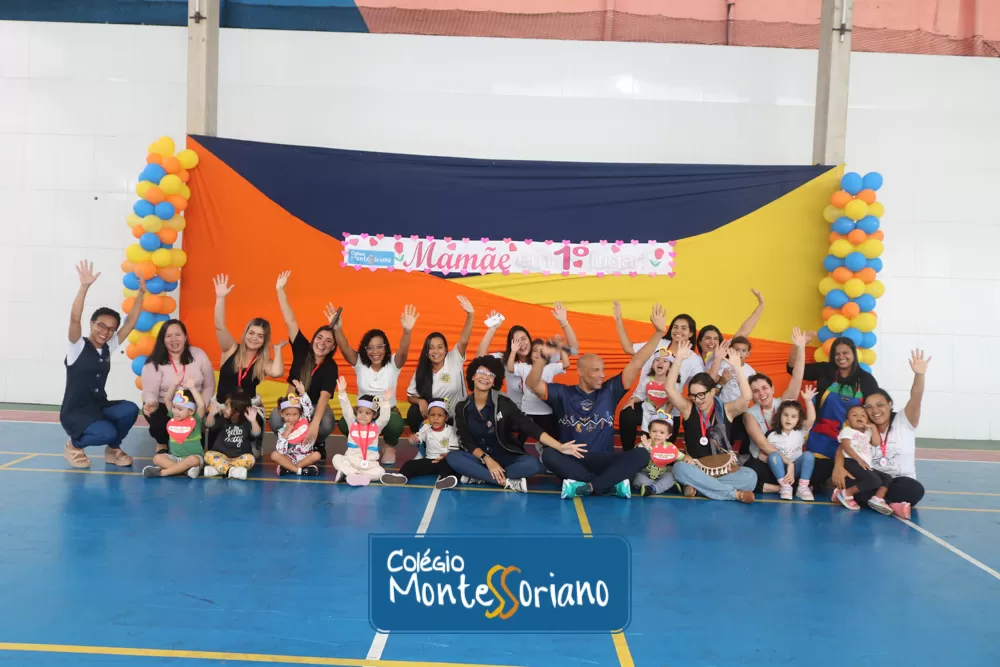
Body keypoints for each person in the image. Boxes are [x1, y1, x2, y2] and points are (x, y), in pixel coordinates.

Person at [526, 304, 669, 499]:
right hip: (573, 459)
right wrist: (542, 359)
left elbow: (637, 362)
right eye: (596, 371)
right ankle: (607, 484)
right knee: (549, 455)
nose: (602, 375)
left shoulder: (610, 390)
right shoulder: (562, 393)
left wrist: (659, 333)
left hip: (605, 460)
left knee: (642, 454)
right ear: (581, 371)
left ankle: (589, 486)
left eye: (603, 370)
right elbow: (532, 383)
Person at [448, 356, 584, 493]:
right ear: (472, 376)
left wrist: (560, 447)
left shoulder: (504, 403)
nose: (485, 377)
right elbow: (466, 441)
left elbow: (529, 427)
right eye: (481, 372)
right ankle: (505, 482)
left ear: (495, 380)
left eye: (491, 374)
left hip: (506, 459)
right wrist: (487, 460)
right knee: (453, 457)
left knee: (533, 465)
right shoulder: (462, 407)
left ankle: (480, 476)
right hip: (480, 458)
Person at [61, 260, 146, 469]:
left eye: (111, 329)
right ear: (92, 324)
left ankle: (113, 450)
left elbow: (130, 323)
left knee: (130, 409)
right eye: (101, 325)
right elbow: (74, 318)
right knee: (107, 432)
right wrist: (84, 286)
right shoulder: (77, 346)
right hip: (76, 413)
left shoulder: (107, 347)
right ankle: (74, 445)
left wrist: (142, 293)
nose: (105, 331)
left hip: (98, 406)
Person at [834, 349, 931, 518]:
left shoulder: (904, 421)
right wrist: (838, 467)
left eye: (880, 405)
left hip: (899, 480)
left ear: (890, 404)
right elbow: (843, 445)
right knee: (860, 483)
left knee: (914, 489)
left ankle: (882, 501)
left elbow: (916, 398)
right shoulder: (862, 428)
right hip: (872, 479)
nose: (875, 410)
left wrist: (919, 375)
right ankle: (892, 504)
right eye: (869, 407)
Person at [664, 341, 757, 503]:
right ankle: (734, 494)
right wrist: (678, 360)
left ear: (713, 391)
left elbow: (747, 397)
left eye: (701, 395)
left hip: (723, 469)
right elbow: (670, 390)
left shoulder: (727, 410)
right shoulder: (688, 408)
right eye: (693, 395)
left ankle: (699, 488)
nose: (697, 399)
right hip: (695, 466)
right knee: (679, 468)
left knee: (750, 477)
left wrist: (737, 367)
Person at [331, 303, 418, 465]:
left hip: (387, 412)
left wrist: (407, 331)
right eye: (370, 348)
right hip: (363, 412)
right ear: (365, 349)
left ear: (386, 348)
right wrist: (337, 329)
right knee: (344, 422)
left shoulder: (393, 363)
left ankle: (389, 446)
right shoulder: (359, 362)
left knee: (396, 423)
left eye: (379, 347)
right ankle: (358, 444)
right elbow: (344, 348)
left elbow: (404, 350)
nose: (375, 351)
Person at [213, 274, 287, 459]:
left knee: (250, 453)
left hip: (248, 409)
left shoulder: (262, 362)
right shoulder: (231, 349)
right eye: (251, 333)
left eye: (260, 336)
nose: (254, 338)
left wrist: (277, 350)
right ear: (245, 333)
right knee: (215, 449)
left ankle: (254, 442)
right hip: (223, 406)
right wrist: (220, 298)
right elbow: (220, 326)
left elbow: (277, 372)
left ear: (264, 340)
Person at [612, 303, 705, 448]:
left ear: (691, 333)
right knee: (627, 415)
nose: (678, 331)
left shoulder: (694, 359)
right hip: (645, 403)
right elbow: (629, 348)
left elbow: (698, 387)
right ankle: (628, 454)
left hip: (670, 410)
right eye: (675, 327)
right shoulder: (658, 343)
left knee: (662, 449)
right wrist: (618, 320)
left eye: (683, 328)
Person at [793, 336, 879, 490]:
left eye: (846, 353)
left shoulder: (866, 380)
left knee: (853, 482)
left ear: (853, 354)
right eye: (837, 354)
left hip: (851, 441)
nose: (841, 357)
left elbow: (875, 408)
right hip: (821, 438)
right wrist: (798, 347)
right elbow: (793, 369)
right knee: (815, 476)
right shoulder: (825, 370)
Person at [273, 271, 339, 461]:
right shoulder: (302, 349)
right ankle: (290, 442)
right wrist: (280, 290)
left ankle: (316, 443)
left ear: (333, 347)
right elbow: (290, 321)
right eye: (319, 337)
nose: (322, 343)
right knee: (276, 418)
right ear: (313, 339)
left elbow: (325, 397)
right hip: (294, 403)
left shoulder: (331, 366)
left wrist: (315, 423)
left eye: (328, 341)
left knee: (326, 421)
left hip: (315, 406)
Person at [475, 303, 580, 410]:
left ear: (530, 340)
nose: (521, 343)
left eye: (524, 339)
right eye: (516, 341)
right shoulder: (506, 359)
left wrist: (564, 322)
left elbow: (573, 349)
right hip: (514, 413)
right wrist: (492, 329)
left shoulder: (541, 355)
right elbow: (479, 359)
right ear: (511, 345)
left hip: (542, 412)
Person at [742, 327, 809, 493]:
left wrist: (801, 347)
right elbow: (762, 444)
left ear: (772, 389)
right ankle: (781, 488)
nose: (761, 393)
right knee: (750, 469)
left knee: (820, 465)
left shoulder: (784, 403)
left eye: (764, 388)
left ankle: (787, 486)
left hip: (789, 463)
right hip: (767, 463)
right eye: (756, 391)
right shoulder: (750, 414)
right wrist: (787, 462)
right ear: (752, 395)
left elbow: (797, 377)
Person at [141, 319, 216, 454]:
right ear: (163, 340)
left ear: (185, 337)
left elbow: (209, 385)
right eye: (168, 336)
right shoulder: (153, 362)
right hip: (166, 405)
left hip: (193, 406)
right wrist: (151, 403)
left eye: (178, 334)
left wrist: (202, 407)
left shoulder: (199, 354)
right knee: (159, 425)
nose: (174, 339)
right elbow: (149, 391)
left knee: (195, 441)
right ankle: (162, 443)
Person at [405, 296, 475, 432]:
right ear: (426, 352)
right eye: (431, 348)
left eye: (440, 347)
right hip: (436, 418)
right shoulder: (422, 370)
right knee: (413, 412)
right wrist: (420, 401)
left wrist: (470, 315)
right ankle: (422, 441)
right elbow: (410, 396)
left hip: (457, 417)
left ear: (446, 349)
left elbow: (464, 340)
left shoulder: (454, 358)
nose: (436, 351)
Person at [382, 399, 461, 489]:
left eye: (440, 415)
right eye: (432, 415)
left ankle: (446, 479)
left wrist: (446, 456)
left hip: (444, 460)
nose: (436, 418)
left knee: (447, 466)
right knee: (409, 464)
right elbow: (417, 439)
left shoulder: (450, 430)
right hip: (429, 460)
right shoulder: (426, 428)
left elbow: (454, 450)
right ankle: (401, 476)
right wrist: (413, 439)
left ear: (446, 418)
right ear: (428, 416)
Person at [332, 376, 393, 486]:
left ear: (374, 415)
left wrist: (386, 401)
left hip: (369, 464)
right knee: (336, 458)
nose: (363, 415)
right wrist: (342, 393)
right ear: (357, 412)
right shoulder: (352, 423)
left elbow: (385, 418)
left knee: (380, 472)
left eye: (367, 413)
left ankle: (349, 474)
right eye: (360, 412)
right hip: (352, 461)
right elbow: (346, 409)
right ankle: (354, 474)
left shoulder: (376, 427)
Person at [832, 405, 893, 515]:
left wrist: (873, 427)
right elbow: (846, 447)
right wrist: (859, 460)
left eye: (863, 415)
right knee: (874, 480)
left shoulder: (868, 432)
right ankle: (846, 493)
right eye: (854, 415)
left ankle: (877, 499)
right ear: (848, 421)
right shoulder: (847, 431)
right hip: (851, 461)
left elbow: (876, 443)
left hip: (865, 464)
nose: (859, 417)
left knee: (887, 478)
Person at [141, 382, 206, 479]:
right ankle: (185, 470)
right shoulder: (173, 417)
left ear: (191, 411)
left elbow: (202, 405)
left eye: (180, 409)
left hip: (194, 458)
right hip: (175, 458)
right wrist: (174, 385)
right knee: (157, 458)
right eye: (174, 407)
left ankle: (164, 472)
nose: (175, 411)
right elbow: (167, 399)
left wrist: (192, 388)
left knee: (193, 460)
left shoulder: (195, 419)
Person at [765, 387, 818, 501]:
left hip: (796, 468)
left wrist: (808, 401)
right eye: (786, 415)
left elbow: (811, 419)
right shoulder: (772, 435)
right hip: (778, 470)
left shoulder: (800, 431)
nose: (789, 419)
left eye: (793, 416)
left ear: (799, 419)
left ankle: (802, 487)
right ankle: (785, 486)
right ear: (779, 415)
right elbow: (765, 455)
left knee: (809, 455)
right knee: (773, 455)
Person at [203, 391, 260, 480]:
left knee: (250, 459)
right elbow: (208, 425)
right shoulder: (222, 419)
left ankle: (219, 469)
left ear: (236, 411)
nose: (224, 408)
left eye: (227, 406)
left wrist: (253, 421)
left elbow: (256, 433)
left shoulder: (246, 422)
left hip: (239, 457)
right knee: (208, 455)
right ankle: (232, 471)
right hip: (221, 456)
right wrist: (211, 414)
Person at [271, 381, 322, 477]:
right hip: (290, 458)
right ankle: (299, 470)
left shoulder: (304, 419)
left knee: (317, 455)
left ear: (300, 413)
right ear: (281, 414)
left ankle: (290, 468)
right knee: (274, 455)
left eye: (295, 414)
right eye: (287, 414)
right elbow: (281, 451)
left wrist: (302, 393)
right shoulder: (282, 431)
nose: (291, 418)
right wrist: (286, 433)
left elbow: (309, 408)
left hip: (305, 457)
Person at [632, 417, 684, 496]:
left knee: (671, 476)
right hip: (645, 472)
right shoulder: (644, 444)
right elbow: (636, 457)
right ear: (649, 432)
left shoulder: (670, 447)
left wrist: (687, 458)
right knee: (638, 479)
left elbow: (680, 456)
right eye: (654, 431)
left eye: (662, 433)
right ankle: (664, 487)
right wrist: (646, 448)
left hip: (662, 473)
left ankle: (652, 489)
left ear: (668, 435)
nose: (657, 435)